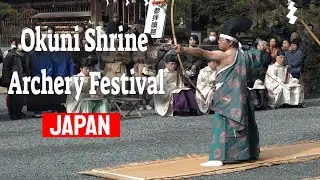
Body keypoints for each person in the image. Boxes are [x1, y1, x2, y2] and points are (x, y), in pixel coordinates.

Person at [175, 16, 260, 167]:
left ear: (230, 42)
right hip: (241, 95)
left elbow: (202, 53)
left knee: (223, 126)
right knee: (243, 124)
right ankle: (247, 153)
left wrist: (183, 49)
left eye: (222, 40)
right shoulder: (243, 55)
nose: (219, 42)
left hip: (227, 97)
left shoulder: (225, 55)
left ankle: (218, 157)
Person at [1, 42, 28, 120]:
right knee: (13, 98)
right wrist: (6, 80)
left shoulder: (26, 55)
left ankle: (19, 112)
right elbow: (5, 68)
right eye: (21, 44)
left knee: (21, 98)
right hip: (13, 79)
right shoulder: (10, 55)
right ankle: (13, 114)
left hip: (23, 78)